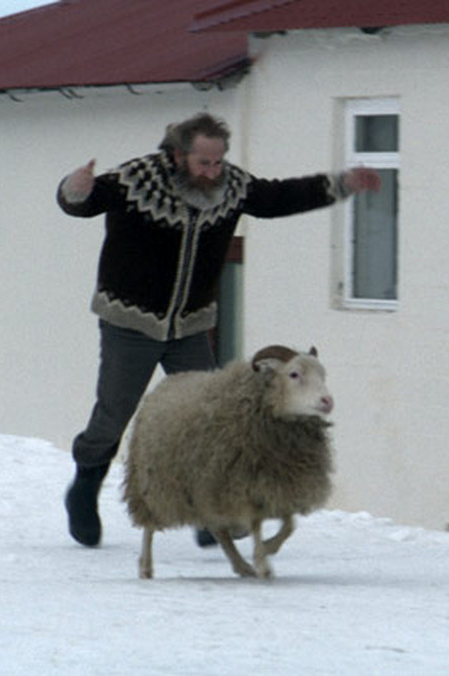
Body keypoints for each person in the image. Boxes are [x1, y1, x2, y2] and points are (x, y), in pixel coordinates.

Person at [58, 112, 380, 547]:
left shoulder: (233, 187)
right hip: (130, 321)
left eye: (218, 162)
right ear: (177, 155)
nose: (212, 172)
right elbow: (85, 203)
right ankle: (84, 487)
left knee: (210, 421)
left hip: (190, 325)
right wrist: (75, 189)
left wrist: (341, 184)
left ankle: (211, 515)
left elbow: (280, 197)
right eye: (203, 163)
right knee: (114, 413)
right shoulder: (137, 179)